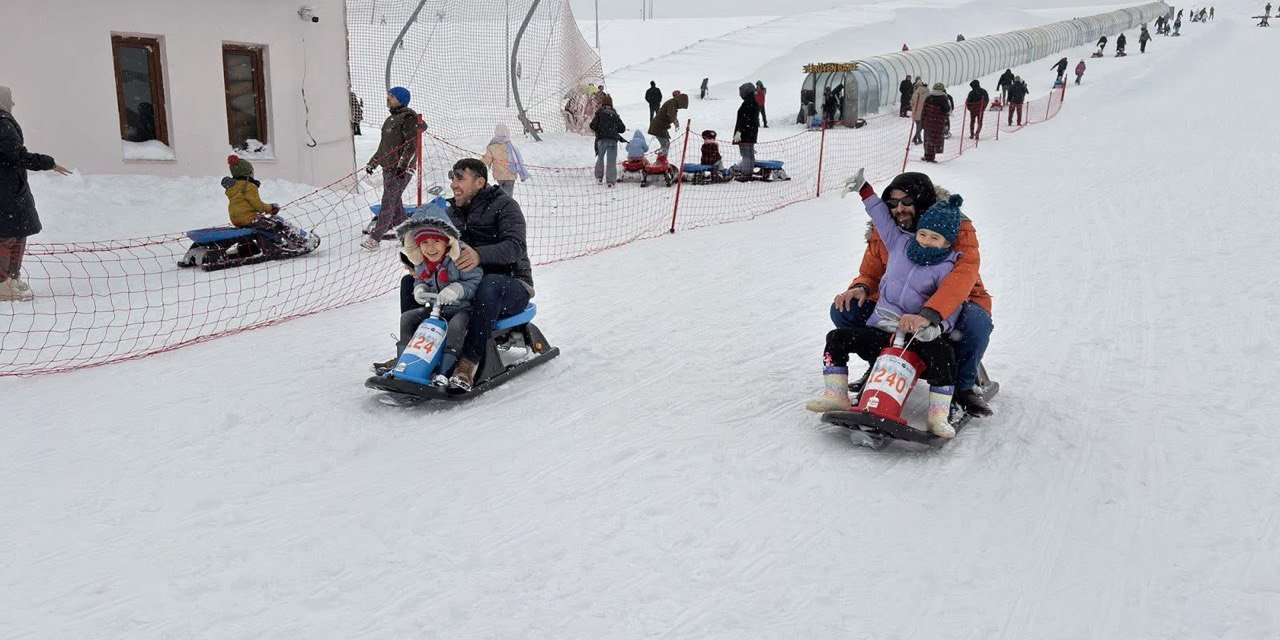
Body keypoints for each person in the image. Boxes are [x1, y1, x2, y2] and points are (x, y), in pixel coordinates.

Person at [808, 169, 969, 438]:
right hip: (883, 330)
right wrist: (864, 189)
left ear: (947, 242)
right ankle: (835, 394)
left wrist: (933, 326)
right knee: (836, 337)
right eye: (924, 234)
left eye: (935, 238)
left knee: (944, 357)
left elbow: (954, 302)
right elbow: (880, 215)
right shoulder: (898, 243)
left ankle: (938, 416)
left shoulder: (948, 266)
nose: (926, 241)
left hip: (918, 338)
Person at [437, 158, 534, 392]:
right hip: (469, 285)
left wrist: (480, 255)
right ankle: (413, 353)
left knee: (489, 285)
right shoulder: (451, 213)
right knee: (411, 282)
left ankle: (467, 363)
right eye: (452, 178)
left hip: (511, 284)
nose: (453, 184)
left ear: (479, 182)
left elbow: (515, 247)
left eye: (460, 178)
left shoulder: (505, 206)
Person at [386, 212, 484, 386]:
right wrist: (420, 288)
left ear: (447, 241)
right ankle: (403, 362)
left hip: (463, 308)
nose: (430, 248)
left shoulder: (459, 257)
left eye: (436, 241)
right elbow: (421, 279)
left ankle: (448, 369)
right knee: (408, 318)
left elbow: (475, 280)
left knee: (456, 325)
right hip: (437, 310)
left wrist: (457, 289)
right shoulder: (423, 262)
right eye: (424, 242)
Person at [0, 85, 71, 302]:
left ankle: (10, 279)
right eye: (10, 100)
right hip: (7, 190)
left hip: (10, 188)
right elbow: (17, 155)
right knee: (8, 237)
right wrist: (48, 163)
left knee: (15, 233)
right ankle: (3, 283)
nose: (13, 104)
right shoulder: (2, 123)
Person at [362, 86, 421, 250]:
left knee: (388, 202)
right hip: (388, 168)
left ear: (401, 99)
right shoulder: (391, 119)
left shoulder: (408, 118)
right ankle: (407, 237)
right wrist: (373, 162)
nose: (388, 98)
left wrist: (402, 166)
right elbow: (384, 147)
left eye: (392, 96)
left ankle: (375, 239)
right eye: (388, 95)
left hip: (400, 170)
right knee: (395, 204)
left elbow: (411, 145)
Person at [222, 155, 306, 252]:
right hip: (248, 219)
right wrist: (271, 207)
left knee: (268, 224)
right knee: (278, 223)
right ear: (247, 173)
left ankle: (277, 242)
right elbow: (258, 206)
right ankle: (300, 242)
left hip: (237, 219)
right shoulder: (248, 186)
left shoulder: (233, 187)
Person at [481, 124, 528, 196]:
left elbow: (487, 159)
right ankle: (507, 203)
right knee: (508, 193)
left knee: (502, 191)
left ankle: (503, 202)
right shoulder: (511, 147)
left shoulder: (492, 147)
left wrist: (478, 164)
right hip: (511, 175)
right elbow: (518, 161)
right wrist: (521, 173)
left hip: (499, 175)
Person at [589, 95, 626, 187]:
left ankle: (599, 178)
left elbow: (592, 125)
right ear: (611, 103)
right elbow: (622, 129)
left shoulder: (599, 113)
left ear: (603, 103)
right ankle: (610, 180)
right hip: (613, 140)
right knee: (611, 161)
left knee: (600, 158)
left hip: (601, 139)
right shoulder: (615, 115)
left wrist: (600, 129)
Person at [732, 82, 760, 178]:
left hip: (745, 133)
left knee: (745, 155)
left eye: (741, 93)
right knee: (750, 154)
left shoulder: (747, 104)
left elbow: (745, 119)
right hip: (751, 133)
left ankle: (745, 174)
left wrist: (739, 131)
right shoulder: (754, 102)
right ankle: (749, 172)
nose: (740, 95)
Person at [648, 90, 688, 156]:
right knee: (665, 145)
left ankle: (663, 160)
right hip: (658, 127)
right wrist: (675, 122)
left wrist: (675, 121)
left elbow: (672, 114)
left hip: (661, 126)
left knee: (666, 144)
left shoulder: (673, 103)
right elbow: (671, 114)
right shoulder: (672, 103)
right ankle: (661, 161)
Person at [921, 83, 951, 163]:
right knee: (935, 139)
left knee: (927, 138)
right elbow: (947, 109)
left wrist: (923, 121)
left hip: (928, 121)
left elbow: (924, 110)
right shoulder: (943, 98)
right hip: (938, 122)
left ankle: (926, 155)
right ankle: (931, 157)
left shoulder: (929, 98)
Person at [910, 79, 929, 144]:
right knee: (920, 126)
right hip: (923, 112)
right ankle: (916, 138)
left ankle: (918, 139)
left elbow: (912, 102)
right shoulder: (927, 92)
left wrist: (913, 107)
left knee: (918, 125)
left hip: (915, 111)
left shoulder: (916, 92)